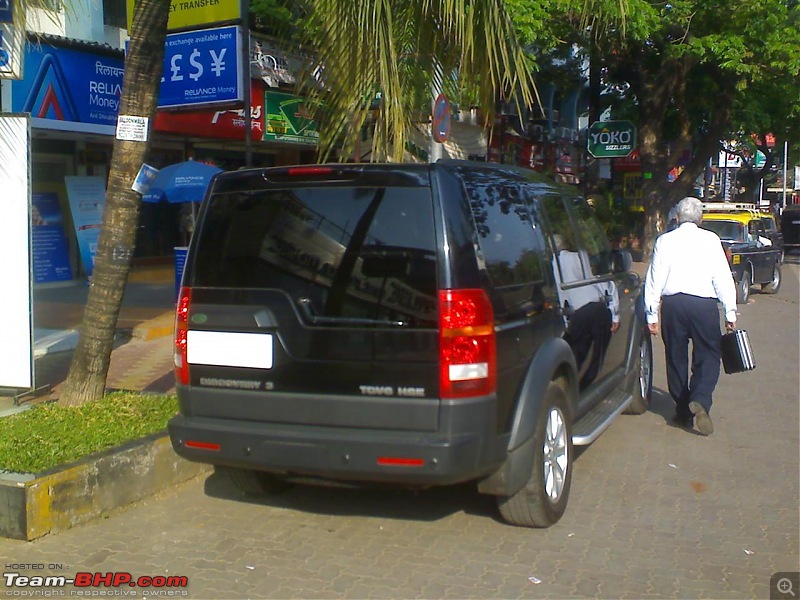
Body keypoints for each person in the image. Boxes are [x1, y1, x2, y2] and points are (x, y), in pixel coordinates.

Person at [644, 196, 737, 435]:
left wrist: (651, 314)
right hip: (704, 306)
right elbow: (722, 278)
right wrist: (730, 311)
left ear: (676, 217)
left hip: (673, 304)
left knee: (675, 356)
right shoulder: (711, 240)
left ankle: (682, 410)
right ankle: (701, 398)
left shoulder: (664, 241)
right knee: (709, 354)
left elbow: (655, 279)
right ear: (701, 218)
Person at [553, 234, 620, 389]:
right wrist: (615, 313)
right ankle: (585, 387)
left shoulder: (552, 263)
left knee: (578, 354)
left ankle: (571, 389)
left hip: (576, 312)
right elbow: (604, 282)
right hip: (597, 308)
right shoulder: (580, 257)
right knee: (598, 355)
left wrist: (566, 322)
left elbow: (560, 293)